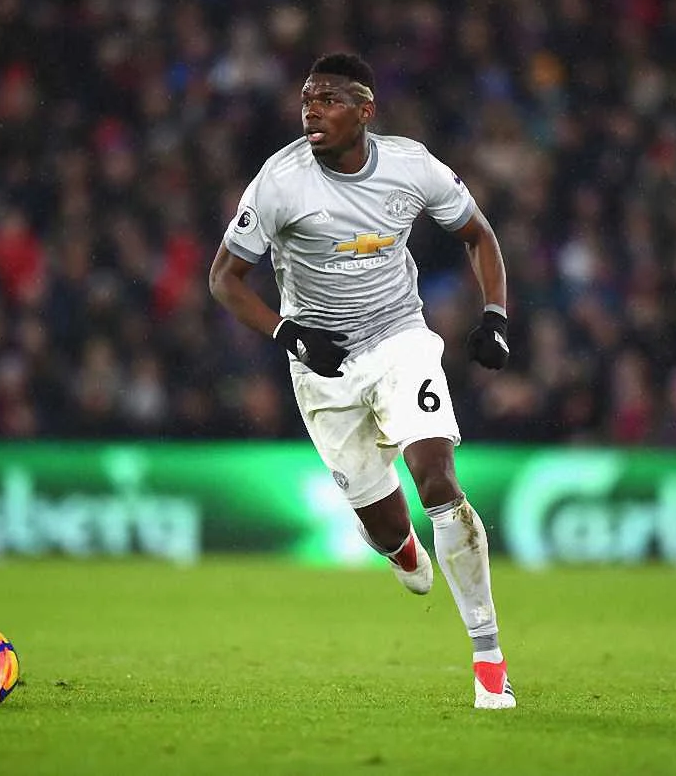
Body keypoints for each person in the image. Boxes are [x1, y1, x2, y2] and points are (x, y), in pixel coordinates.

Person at [208, 53, 515, 709]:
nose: (311, 111)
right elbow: (223, 279)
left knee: (438, 481)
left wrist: (494, 314)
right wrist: (288, 334)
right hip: (322, 364)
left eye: (328, 100)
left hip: (400, 338)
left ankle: (488, 656)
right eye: (306, 100)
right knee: (387, 528)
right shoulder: (280, 181)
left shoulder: (411, 165)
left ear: (365, 110)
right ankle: (398, 547)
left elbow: (478, 234)